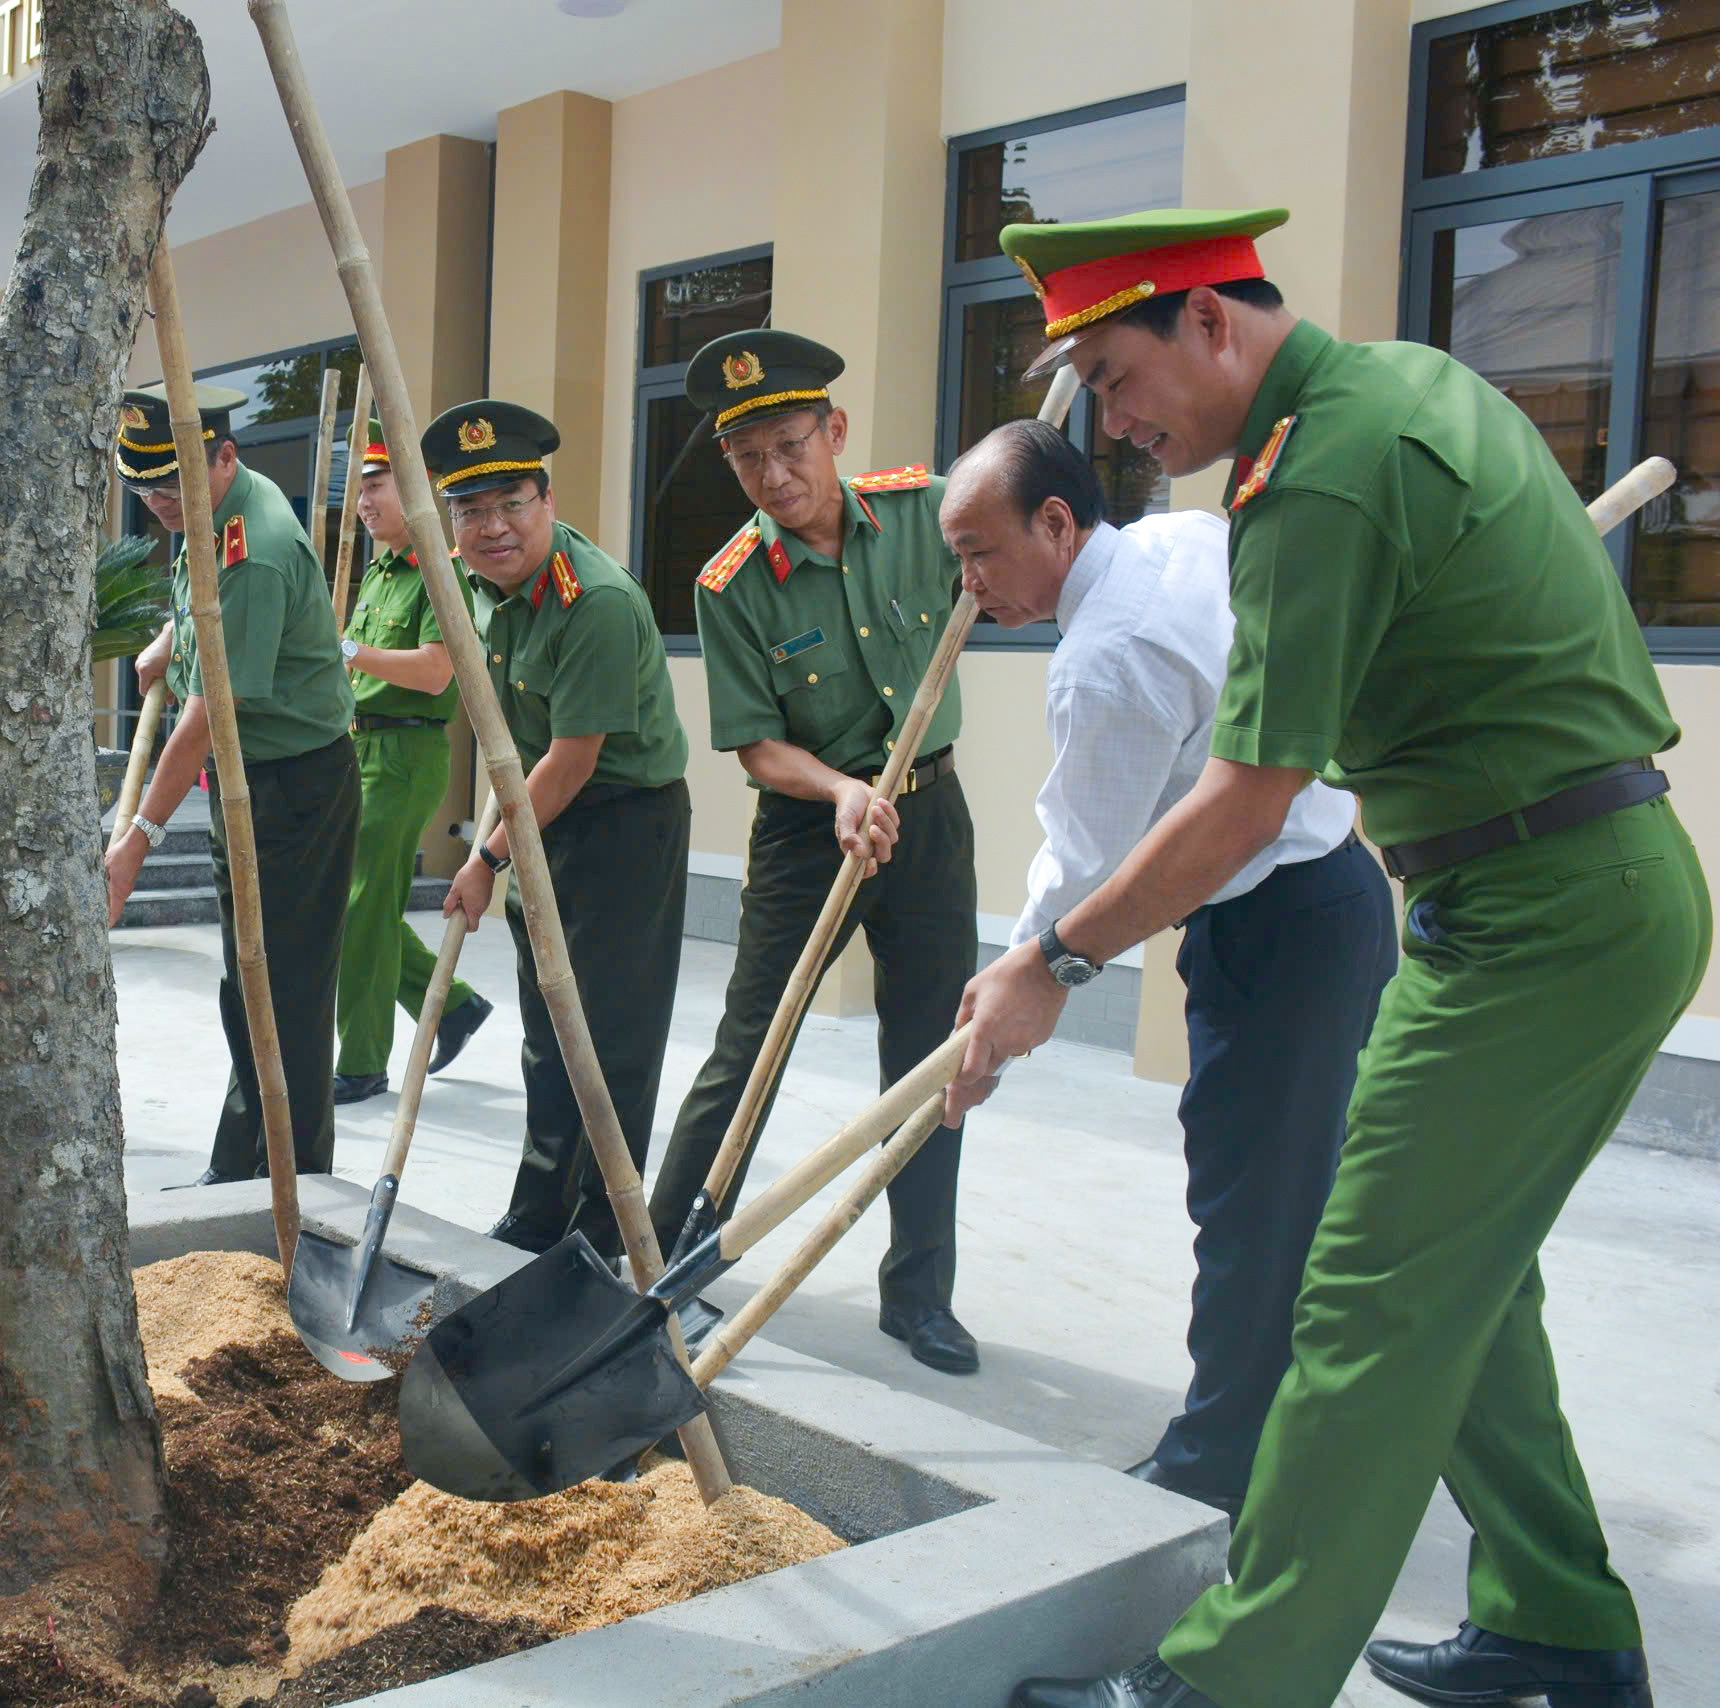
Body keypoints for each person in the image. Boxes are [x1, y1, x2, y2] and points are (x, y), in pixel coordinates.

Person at [954, 210, 1697, 1708]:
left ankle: (1232, 1682)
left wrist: (1057, 959)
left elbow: (1242, 803)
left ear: (1212, 325)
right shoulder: (1405, 389)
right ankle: (1558, 1624)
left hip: (1547, 912)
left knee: (1359, 1293)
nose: (1111, 423)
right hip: (1522, 891)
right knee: (1464, 1282)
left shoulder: (1321, 475)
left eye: (1115, 375)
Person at [940, 419, 1393, 1516]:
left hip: (1277, 930)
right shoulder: (1180, 539)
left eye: (981, 554)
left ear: (1056, 522)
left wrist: (1013, 986)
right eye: (957, 561)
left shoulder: (1107, 658)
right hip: (1333, 898)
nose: (968, 587)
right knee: (1292, 1193)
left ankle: (1215, 1471)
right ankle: (1289, 1440)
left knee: (1251, 1207)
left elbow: (1089, 862)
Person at [642, 330, 980, 1375]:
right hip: (808, 832)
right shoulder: (730, 581)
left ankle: (918, 1292)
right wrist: (838, 789)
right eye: (746, 459)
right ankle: (661, 1268)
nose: (774, 476)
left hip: (929, 816)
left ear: (833, 433)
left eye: (790, 446)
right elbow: (752, 742)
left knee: (932, 1057)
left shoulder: (929, 510)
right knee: (751, 1046)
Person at [424, 400, 691, 1257]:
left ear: (547, 498)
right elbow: (517, 753)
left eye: (512, 502)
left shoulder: (597, 601)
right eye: (471, 509)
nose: (492, 527)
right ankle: (538, 1212)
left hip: (622, 826)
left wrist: (486, 856)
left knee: (607, 1036)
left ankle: (603, 1232)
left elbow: (572, 759)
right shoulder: (478, 587)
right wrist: (494, 845)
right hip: (543, 818)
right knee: (547, 1028)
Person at [105, 383, 361, 1181]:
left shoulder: (254, 546)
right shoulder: (207, 511)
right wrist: (167, 635)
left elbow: (210, 711)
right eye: (141, 484)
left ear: (226, 456)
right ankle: (241, 1164)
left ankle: (296, 1180)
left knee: (282, 993)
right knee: (247, 984)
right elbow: (204, 612)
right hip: (249, 778)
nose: (157, 502)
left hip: (294, 789)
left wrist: (136, 841)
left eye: (172, 480)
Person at [331, 417, 492, 1104]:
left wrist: (344, 651)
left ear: (418, 485)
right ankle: (452, 1004)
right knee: (353, 902)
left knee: (364, 906)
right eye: (360, 489)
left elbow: (432, 673)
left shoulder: (436, 569)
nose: (365, 501)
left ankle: (362, 1062)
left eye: (378, 485)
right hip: (359, 742)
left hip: (404, 751)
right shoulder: (379, 572)